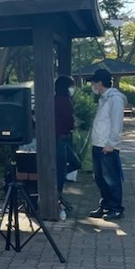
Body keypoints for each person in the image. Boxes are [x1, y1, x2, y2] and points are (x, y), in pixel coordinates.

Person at [88, 67, 126, 221]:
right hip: (98, 144)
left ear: (100, 83)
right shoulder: (103, 99)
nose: (93, 85)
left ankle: (116, 208)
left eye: (94, 82)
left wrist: (111, 144)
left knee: (111, 179)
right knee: (100, 178)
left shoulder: (114, 99)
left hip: (107, 146)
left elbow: (117, 124)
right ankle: (105, 205)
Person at [54, 75, 80, 219]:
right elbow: (69, 122)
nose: (72, 89)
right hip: (60, 139)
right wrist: (73, 124)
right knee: (64, 169)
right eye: (71, 86)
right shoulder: (63, 101)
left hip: (61, 139)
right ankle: (57, 201)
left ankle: (57, 193)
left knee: (68, 165)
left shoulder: (55, 99)